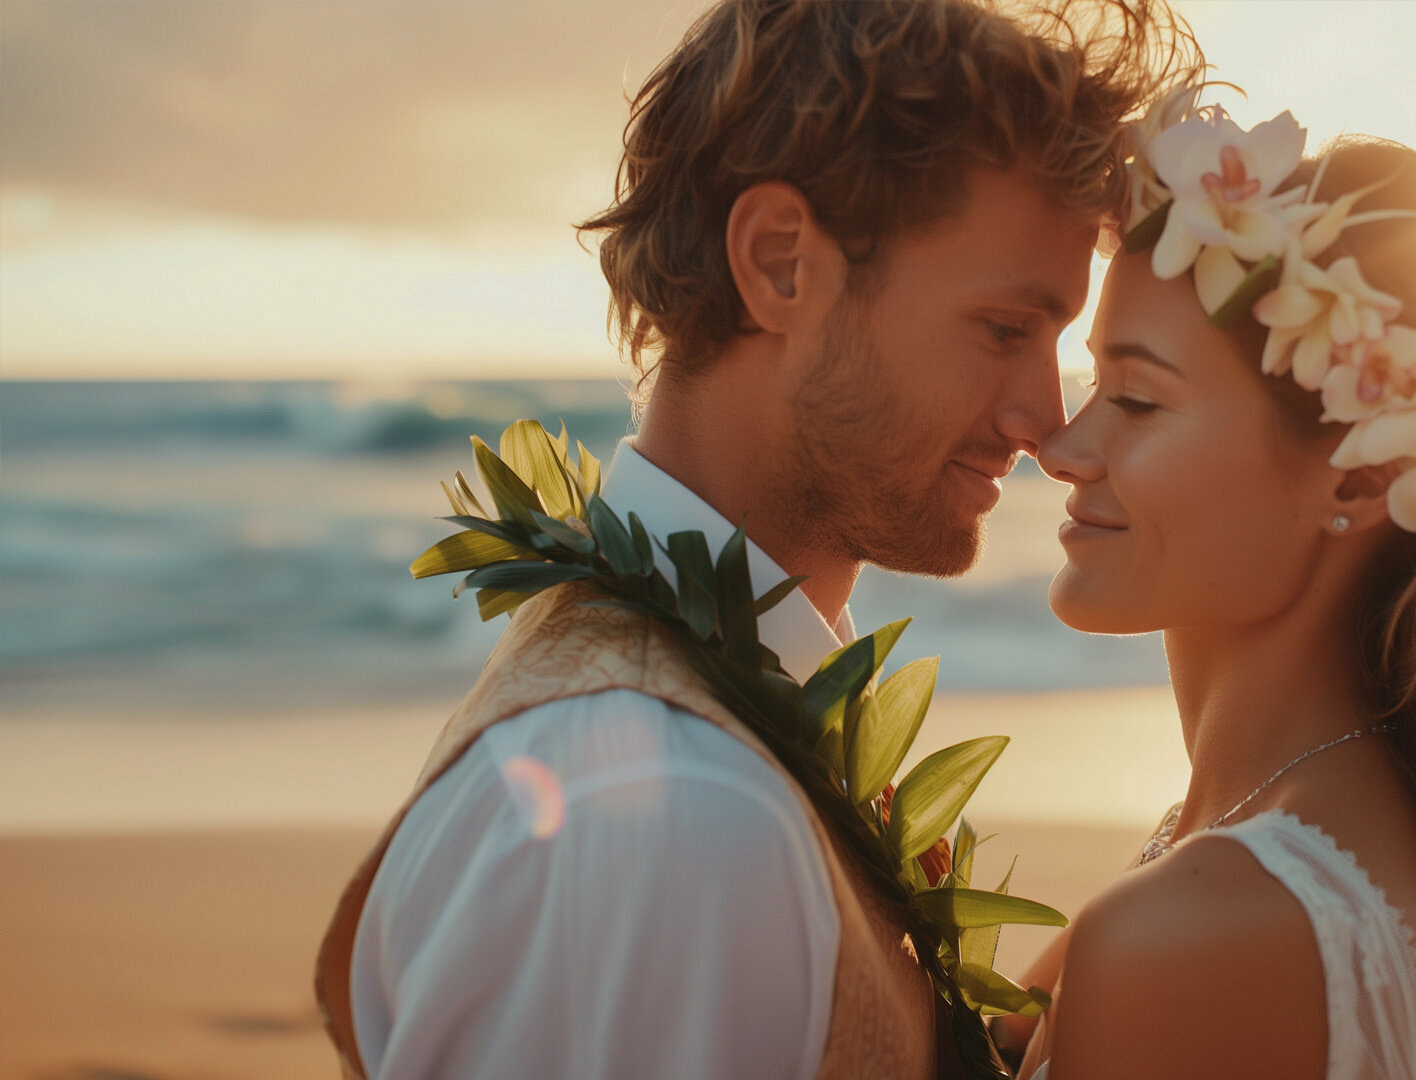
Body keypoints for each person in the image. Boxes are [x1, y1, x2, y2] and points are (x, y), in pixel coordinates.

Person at [314, 2, 1195, 1077]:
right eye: (1005, 329)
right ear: (780, 264)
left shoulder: (689, 722)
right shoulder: (672, 817)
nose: (1044, 421)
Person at [1002, 95, 1416, 1080]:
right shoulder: (1256, 846)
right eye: (1091, 383)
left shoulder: (1199, 932)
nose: (1062, 446)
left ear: (1358, 479)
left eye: (1134, 399)